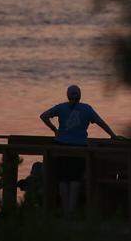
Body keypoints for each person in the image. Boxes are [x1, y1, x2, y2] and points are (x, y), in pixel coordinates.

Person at [40, 84, 121, 213]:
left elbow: (43, 116)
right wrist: (113, 135)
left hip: (61, 147)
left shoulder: (61, 107)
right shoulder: (87, 109)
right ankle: (71, 212)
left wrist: (54, 129)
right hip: (79, 148)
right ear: (80, 96)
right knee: (75, 180)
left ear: (67, 96)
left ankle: (65, 211)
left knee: (63, 180)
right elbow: (101, 123)